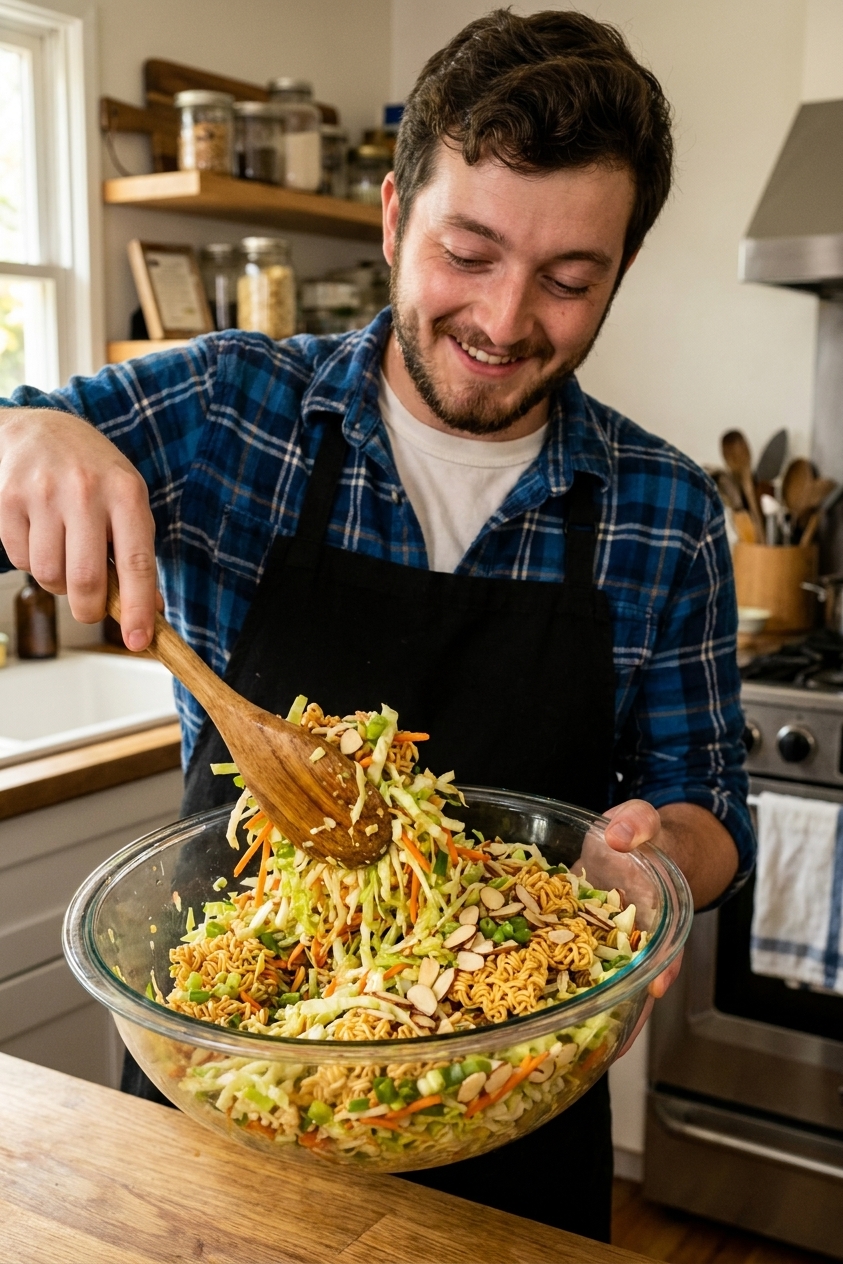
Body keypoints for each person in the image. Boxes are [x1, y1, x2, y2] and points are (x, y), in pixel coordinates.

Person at [0, 9, 753, 1244]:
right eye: (470, 252)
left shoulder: (663, 509)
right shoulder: (232, 407)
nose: (508, 322)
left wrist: (661, 856)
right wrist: (20, 434)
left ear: (619, 270)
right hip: (222, 1106)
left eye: (571, 281)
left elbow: (711, 803)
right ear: (396, 219)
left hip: (511, 1101)